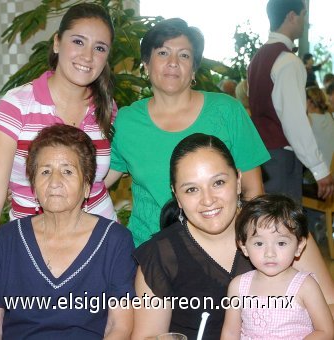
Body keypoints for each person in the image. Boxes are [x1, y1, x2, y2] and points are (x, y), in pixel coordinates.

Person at [0, 3, 118, 335]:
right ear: (56, 42)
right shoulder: (16, 106)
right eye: (78, 41)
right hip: (30, 251)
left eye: (100, 48)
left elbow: (102, 176)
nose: (87, 55)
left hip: (97, 248)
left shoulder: (107, 110)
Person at [131, 133, 334, 340]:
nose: (208, 200)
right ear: (177, 196)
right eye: (192, 189)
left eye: (218, 183)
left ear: (238, 181)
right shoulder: (161, 254)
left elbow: (330, 306)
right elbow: (147, 335)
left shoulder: (282, 231)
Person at [106, 18, 270, 246]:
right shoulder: (127, 120)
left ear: (193, 69)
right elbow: (97, 183)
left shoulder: (227, 110)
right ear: (145, 64)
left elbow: (254, 191)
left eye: (184, 55)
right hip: (148, 250)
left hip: (221, 247)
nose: (173, 62)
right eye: (163, 53)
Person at [0, 124, 136, 339]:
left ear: (87, 185)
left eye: (67, 171)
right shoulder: (8, 239)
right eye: (45, 171)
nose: (54, 182)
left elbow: (118, 327)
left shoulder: (115, 241)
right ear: (33, 184)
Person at [247, 0, 334, 201]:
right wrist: (319, 169)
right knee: (285, 226)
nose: (305, 22)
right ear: (292, 16)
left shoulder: (257, 58)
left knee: (266, 223)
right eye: (304, 15)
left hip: (260, 155)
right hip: (280, 158)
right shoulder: (288, 61)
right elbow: (295, 120)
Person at [221, 194, 333, 339]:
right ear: (244, 247)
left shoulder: (305, 286)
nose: (270, 253)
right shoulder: (237, 286)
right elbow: (230, 332)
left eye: (281, 243)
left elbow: (325, 331)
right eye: (259, 243)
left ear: (299, 246)